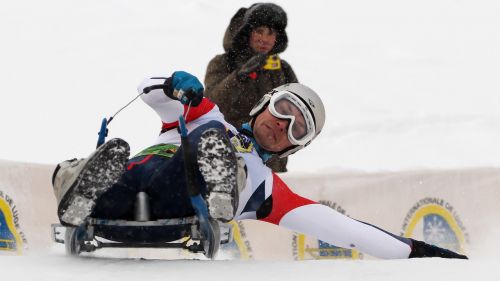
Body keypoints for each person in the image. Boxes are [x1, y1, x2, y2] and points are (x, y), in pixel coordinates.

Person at [52, 71, 468, 259]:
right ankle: (82, 185)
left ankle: (219, 184)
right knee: (120, 153)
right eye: (283, 110)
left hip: (182, 202)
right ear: (263, 105)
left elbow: (351, 232)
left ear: (294, 147)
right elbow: (146, 91)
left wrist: (424, 255)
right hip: (125, 187)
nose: (281, 125)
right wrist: (174, 84)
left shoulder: (270, 190)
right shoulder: (205, 113)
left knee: (207, 143)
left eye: (296, 128)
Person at [204, 3, 297, 173]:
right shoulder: (222, 63)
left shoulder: (282, 69)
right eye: (259, 31)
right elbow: (210, 106)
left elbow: (297, 113)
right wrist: (239, 76)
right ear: (247, 32)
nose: (264, 39)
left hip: (272, 166)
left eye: (271, 33)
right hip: (227, 160)